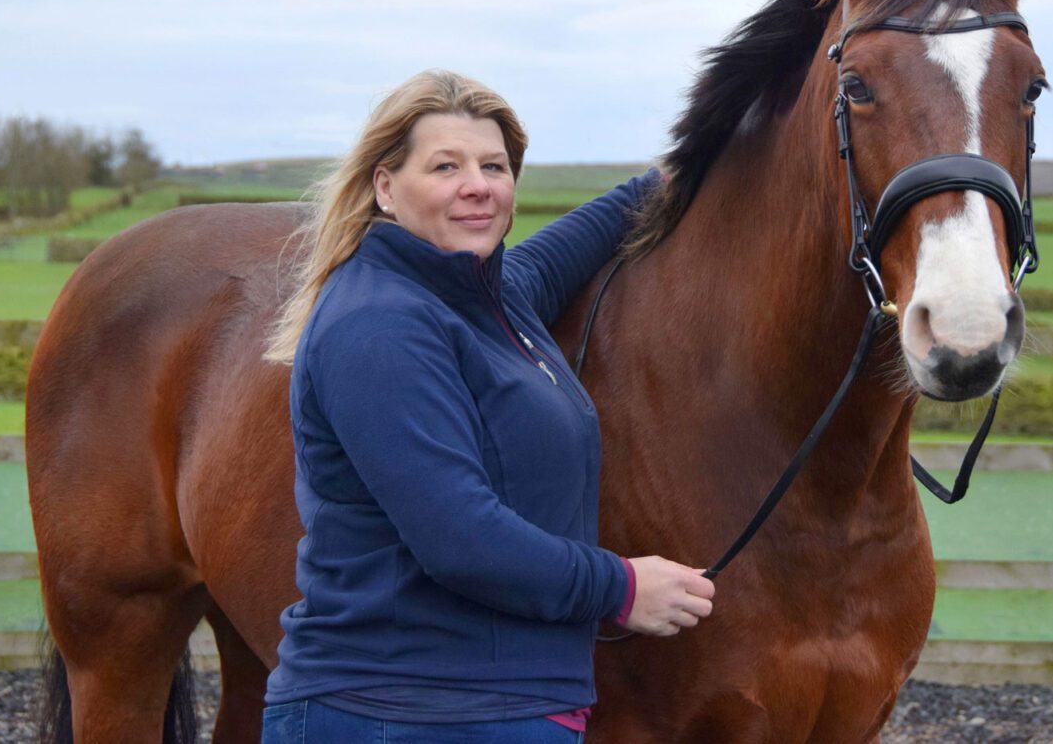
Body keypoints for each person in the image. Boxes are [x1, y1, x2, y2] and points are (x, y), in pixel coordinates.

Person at [259, 69, 715, 742]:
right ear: (385, 187)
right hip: (400, 713)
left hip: (489, 709)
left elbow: (577, 241)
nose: (477, 185)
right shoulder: (379, 325)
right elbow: (460, 537)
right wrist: (619, 588)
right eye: (445, 166)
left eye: (494, 166)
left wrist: (701, 154)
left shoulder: (493, 299)